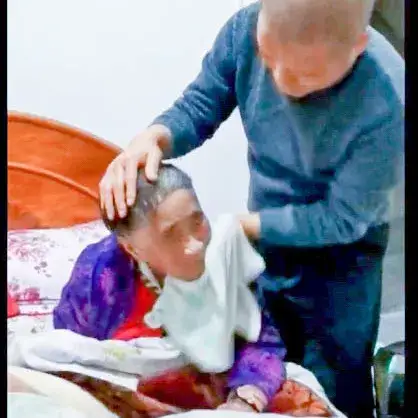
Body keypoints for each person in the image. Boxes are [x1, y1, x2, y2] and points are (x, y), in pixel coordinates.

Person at [98, 1, 404, 416]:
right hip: (267, 239)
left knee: (335, 383)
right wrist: (154, 137)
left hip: (343, 261)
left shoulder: (387, 99)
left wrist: (244, 226)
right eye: (269, 58)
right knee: (268, 359)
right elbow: (202, 103)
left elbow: (342, 218)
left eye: (306, 74)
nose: (281, 83)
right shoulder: (245, 28)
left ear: (357, 47)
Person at [54, 164, 288, 413]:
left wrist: (245, 400)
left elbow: (262, 343)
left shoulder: (226, 257)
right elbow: (70, 357)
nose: (195, 246)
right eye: (171, 235)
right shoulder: (100, 274)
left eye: (197, 221)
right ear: (133, 249)